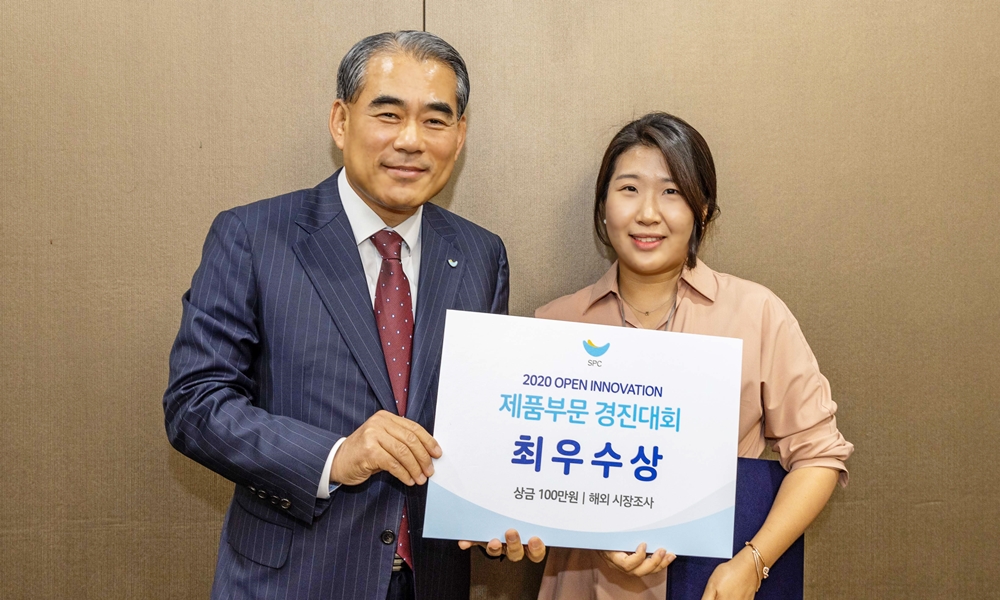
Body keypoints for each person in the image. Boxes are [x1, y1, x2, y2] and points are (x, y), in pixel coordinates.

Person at [163, 31, 541, 600]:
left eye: (435, 121)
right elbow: (195, 405)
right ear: (341, 121)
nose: (411, 140)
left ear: (460, 135)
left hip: (430, 582)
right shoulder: (252, 237)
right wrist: (336, 457)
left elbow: (485, 420)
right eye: (388, 114)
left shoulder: (481, 254)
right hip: (292, 582)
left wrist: (500, 511)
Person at [534, 112, 854, 600]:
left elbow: (819, 455)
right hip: (583, 585)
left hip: (713, 584)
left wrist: (753, 563)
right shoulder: (555, 324)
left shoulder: (757, 313)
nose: (648, 213)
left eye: (672, 192)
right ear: (603, 206)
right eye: (629, 189)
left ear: (702, 209)